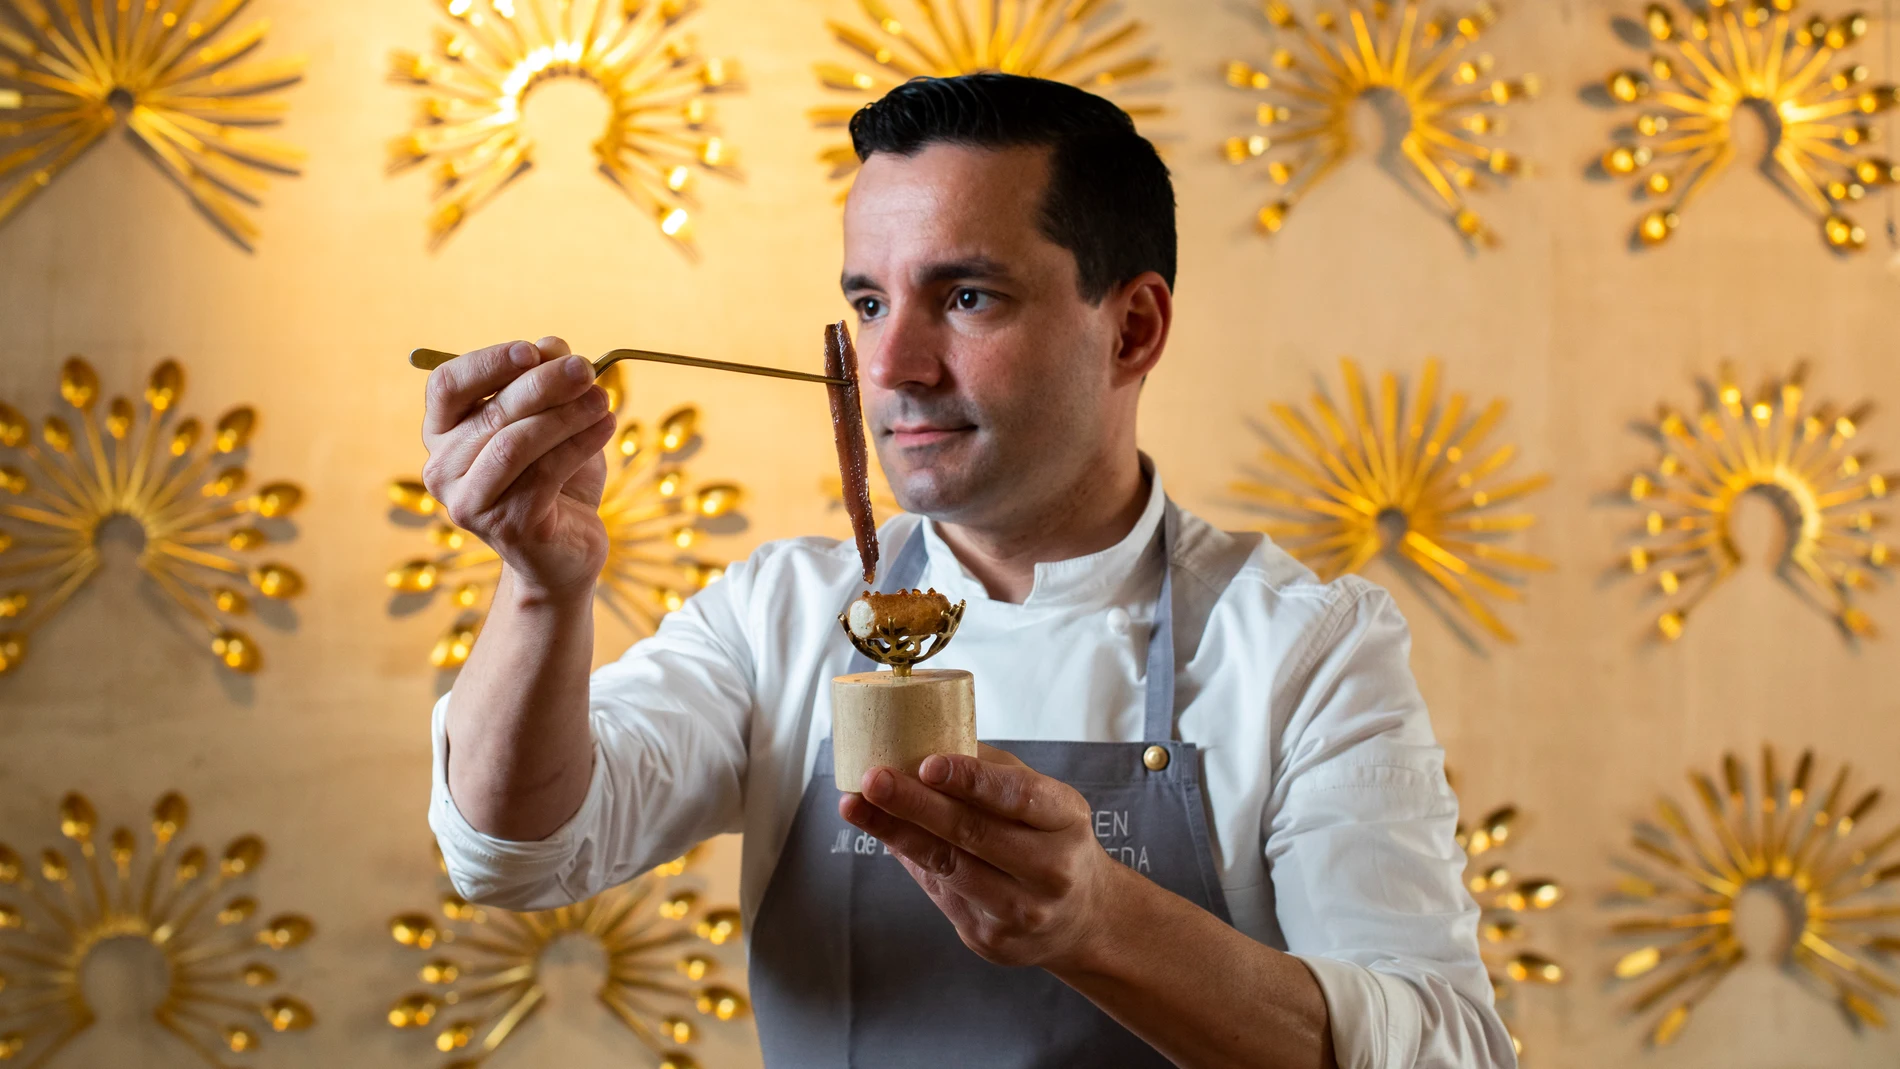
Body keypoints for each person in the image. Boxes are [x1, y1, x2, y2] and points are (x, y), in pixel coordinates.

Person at [417, 73, 1514, 1069]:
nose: (891, 367)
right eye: (869, 302)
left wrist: (1099, 921)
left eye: (968, 297)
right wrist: (540, 589)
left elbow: (1446, 1049)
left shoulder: (1302, 646)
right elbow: (514, 854)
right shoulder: (781, 615)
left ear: (1131, 329)